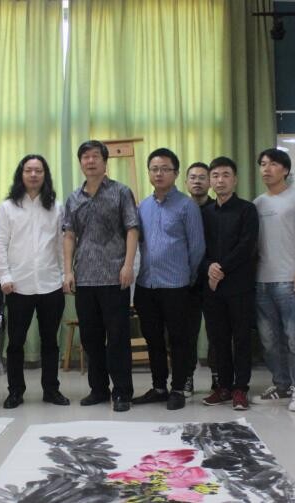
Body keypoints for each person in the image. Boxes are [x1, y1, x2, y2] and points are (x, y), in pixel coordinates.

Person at [63, 140, 139, 412]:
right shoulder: (74, 198)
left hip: (114, 276)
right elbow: (69, 234)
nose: (90, 161)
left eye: (95, 156)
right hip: (84, 278)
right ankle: (98, 389)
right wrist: (68, 270)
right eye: (85, 157)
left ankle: (122, 392)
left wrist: (128, 265)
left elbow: (132, 228)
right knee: (91, 339)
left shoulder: (121, 191)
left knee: (117, 337)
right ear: (80, 163)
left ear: (105, 162)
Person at [0, 154, 69, 409]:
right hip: (18, 285)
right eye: (28, 170)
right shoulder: (8, 207)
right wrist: (4, 276)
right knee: (15, 342)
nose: (33, 175)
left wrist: (64, 275)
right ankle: (15, 391)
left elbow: (61, 245)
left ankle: (51, 390)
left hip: (50, 284)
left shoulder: (56, 207)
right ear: (21, 174)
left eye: (38, 171)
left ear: (45, 175)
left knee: (50, 341)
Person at [131, 148, 205, 411]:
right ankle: (159, 387)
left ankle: (178, 389)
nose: (159, 173)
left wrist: (188, 276)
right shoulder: (143, 206)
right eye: (154, 169)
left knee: (179, 340)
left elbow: (197, 248)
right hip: (146, 285)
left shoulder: (187, 206)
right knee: (153, 339)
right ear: (149, 173)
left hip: (176, 286)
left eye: (165, 169)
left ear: (175, 173)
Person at [251, 148, 295, 412]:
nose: (266, 169)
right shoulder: (257, 203)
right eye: (263, 164)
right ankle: (281, 385)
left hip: (290, 279)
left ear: (286, 170)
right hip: (261, 281)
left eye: (273, 164)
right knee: (269, 341)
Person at [201, 156, 258, 411]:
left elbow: (247, 246)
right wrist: (208, 267)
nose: (220, 180)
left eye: (225, 175)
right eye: (215, 176)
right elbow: (198, 247)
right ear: (210, 181)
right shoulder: (205, 213)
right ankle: (223, 386)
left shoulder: (247, 210)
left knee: (241, 338)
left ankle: (240, 388)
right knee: (218, 338)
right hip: (212, 287)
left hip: (239, 285)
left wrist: (220, 268)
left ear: (235, 180)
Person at [184, 161, 218, 394]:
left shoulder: (218, 209)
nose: (197, 181)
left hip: (214, 280)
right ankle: (187, 376)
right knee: (187, 332)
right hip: (186, 281)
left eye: (202, 177)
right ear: (186, 182)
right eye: (193, 177)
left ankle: (218, 375)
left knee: (216, 330)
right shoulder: (181, 208)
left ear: (210, 182)